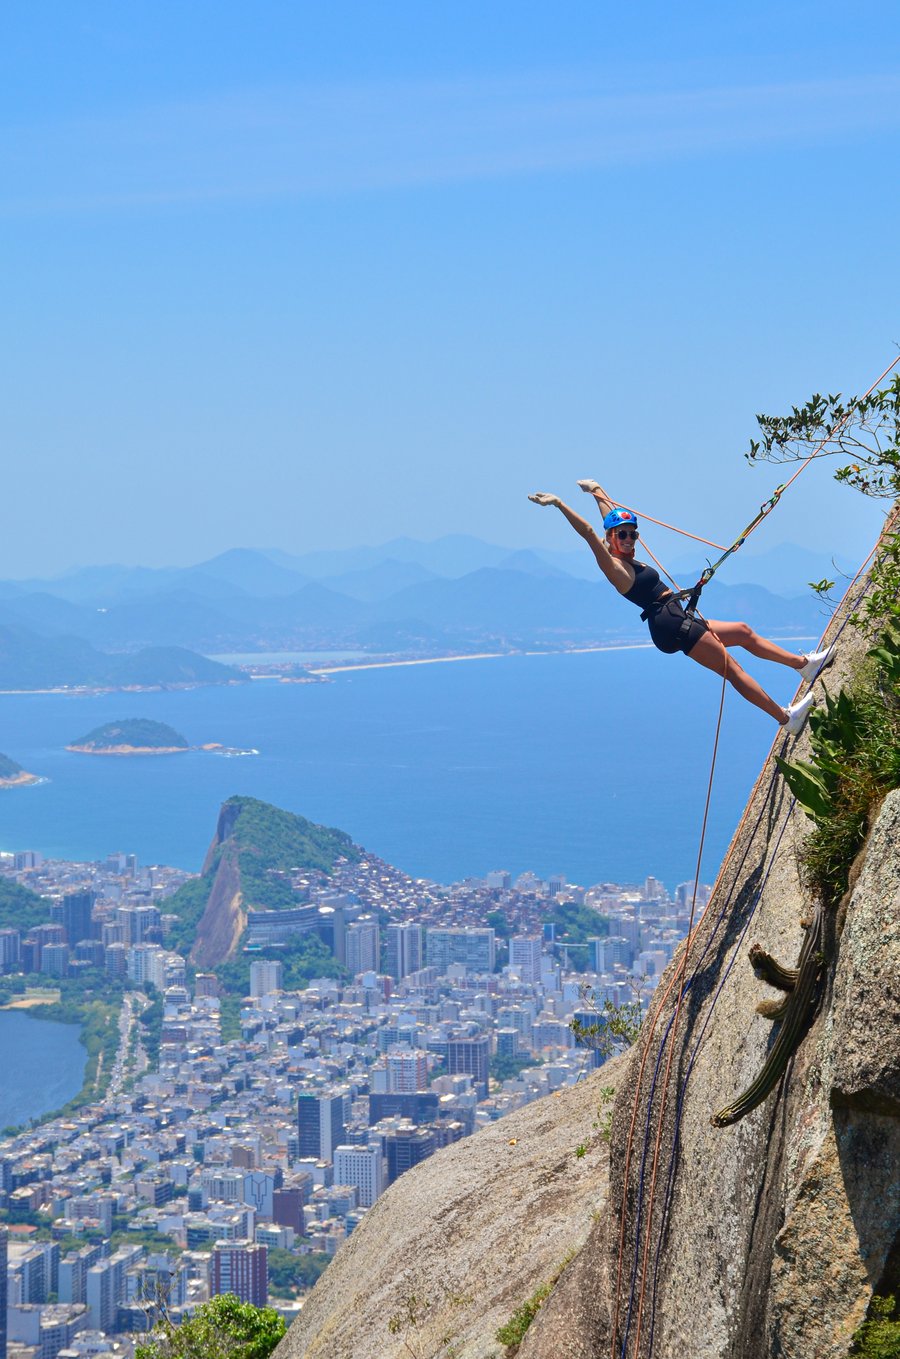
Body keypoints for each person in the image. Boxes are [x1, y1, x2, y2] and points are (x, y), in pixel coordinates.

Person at [528, 480, 833, 733]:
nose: (630, 539)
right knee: (733, 669)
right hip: (670, 625)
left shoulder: (627, 553)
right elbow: (590, 533)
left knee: (742, 631)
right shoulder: (616, 570)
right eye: (623, 536)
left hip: (675, 614)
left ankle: (804, 665)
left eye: (633, 534)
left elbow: (613, 519)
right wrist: (559, 504)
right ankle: (786, 719)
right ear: (611, 540)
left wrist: (598, 491)